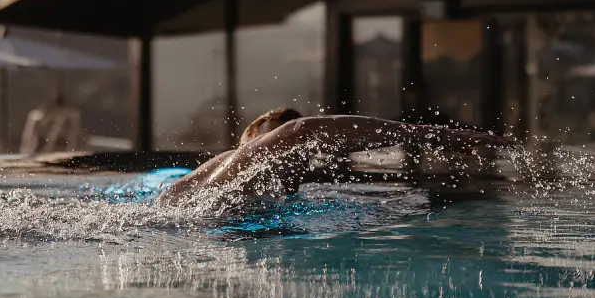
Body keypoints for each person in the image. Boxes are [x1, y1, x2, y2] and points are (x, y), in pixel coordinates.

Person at [155, 107, 517, 205]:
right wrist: (438, 136)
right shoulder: (235, 164)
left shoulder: (266, 194)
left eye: (301, 157)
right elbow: (304, 132)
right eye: (277, 146)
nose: (294, 160)